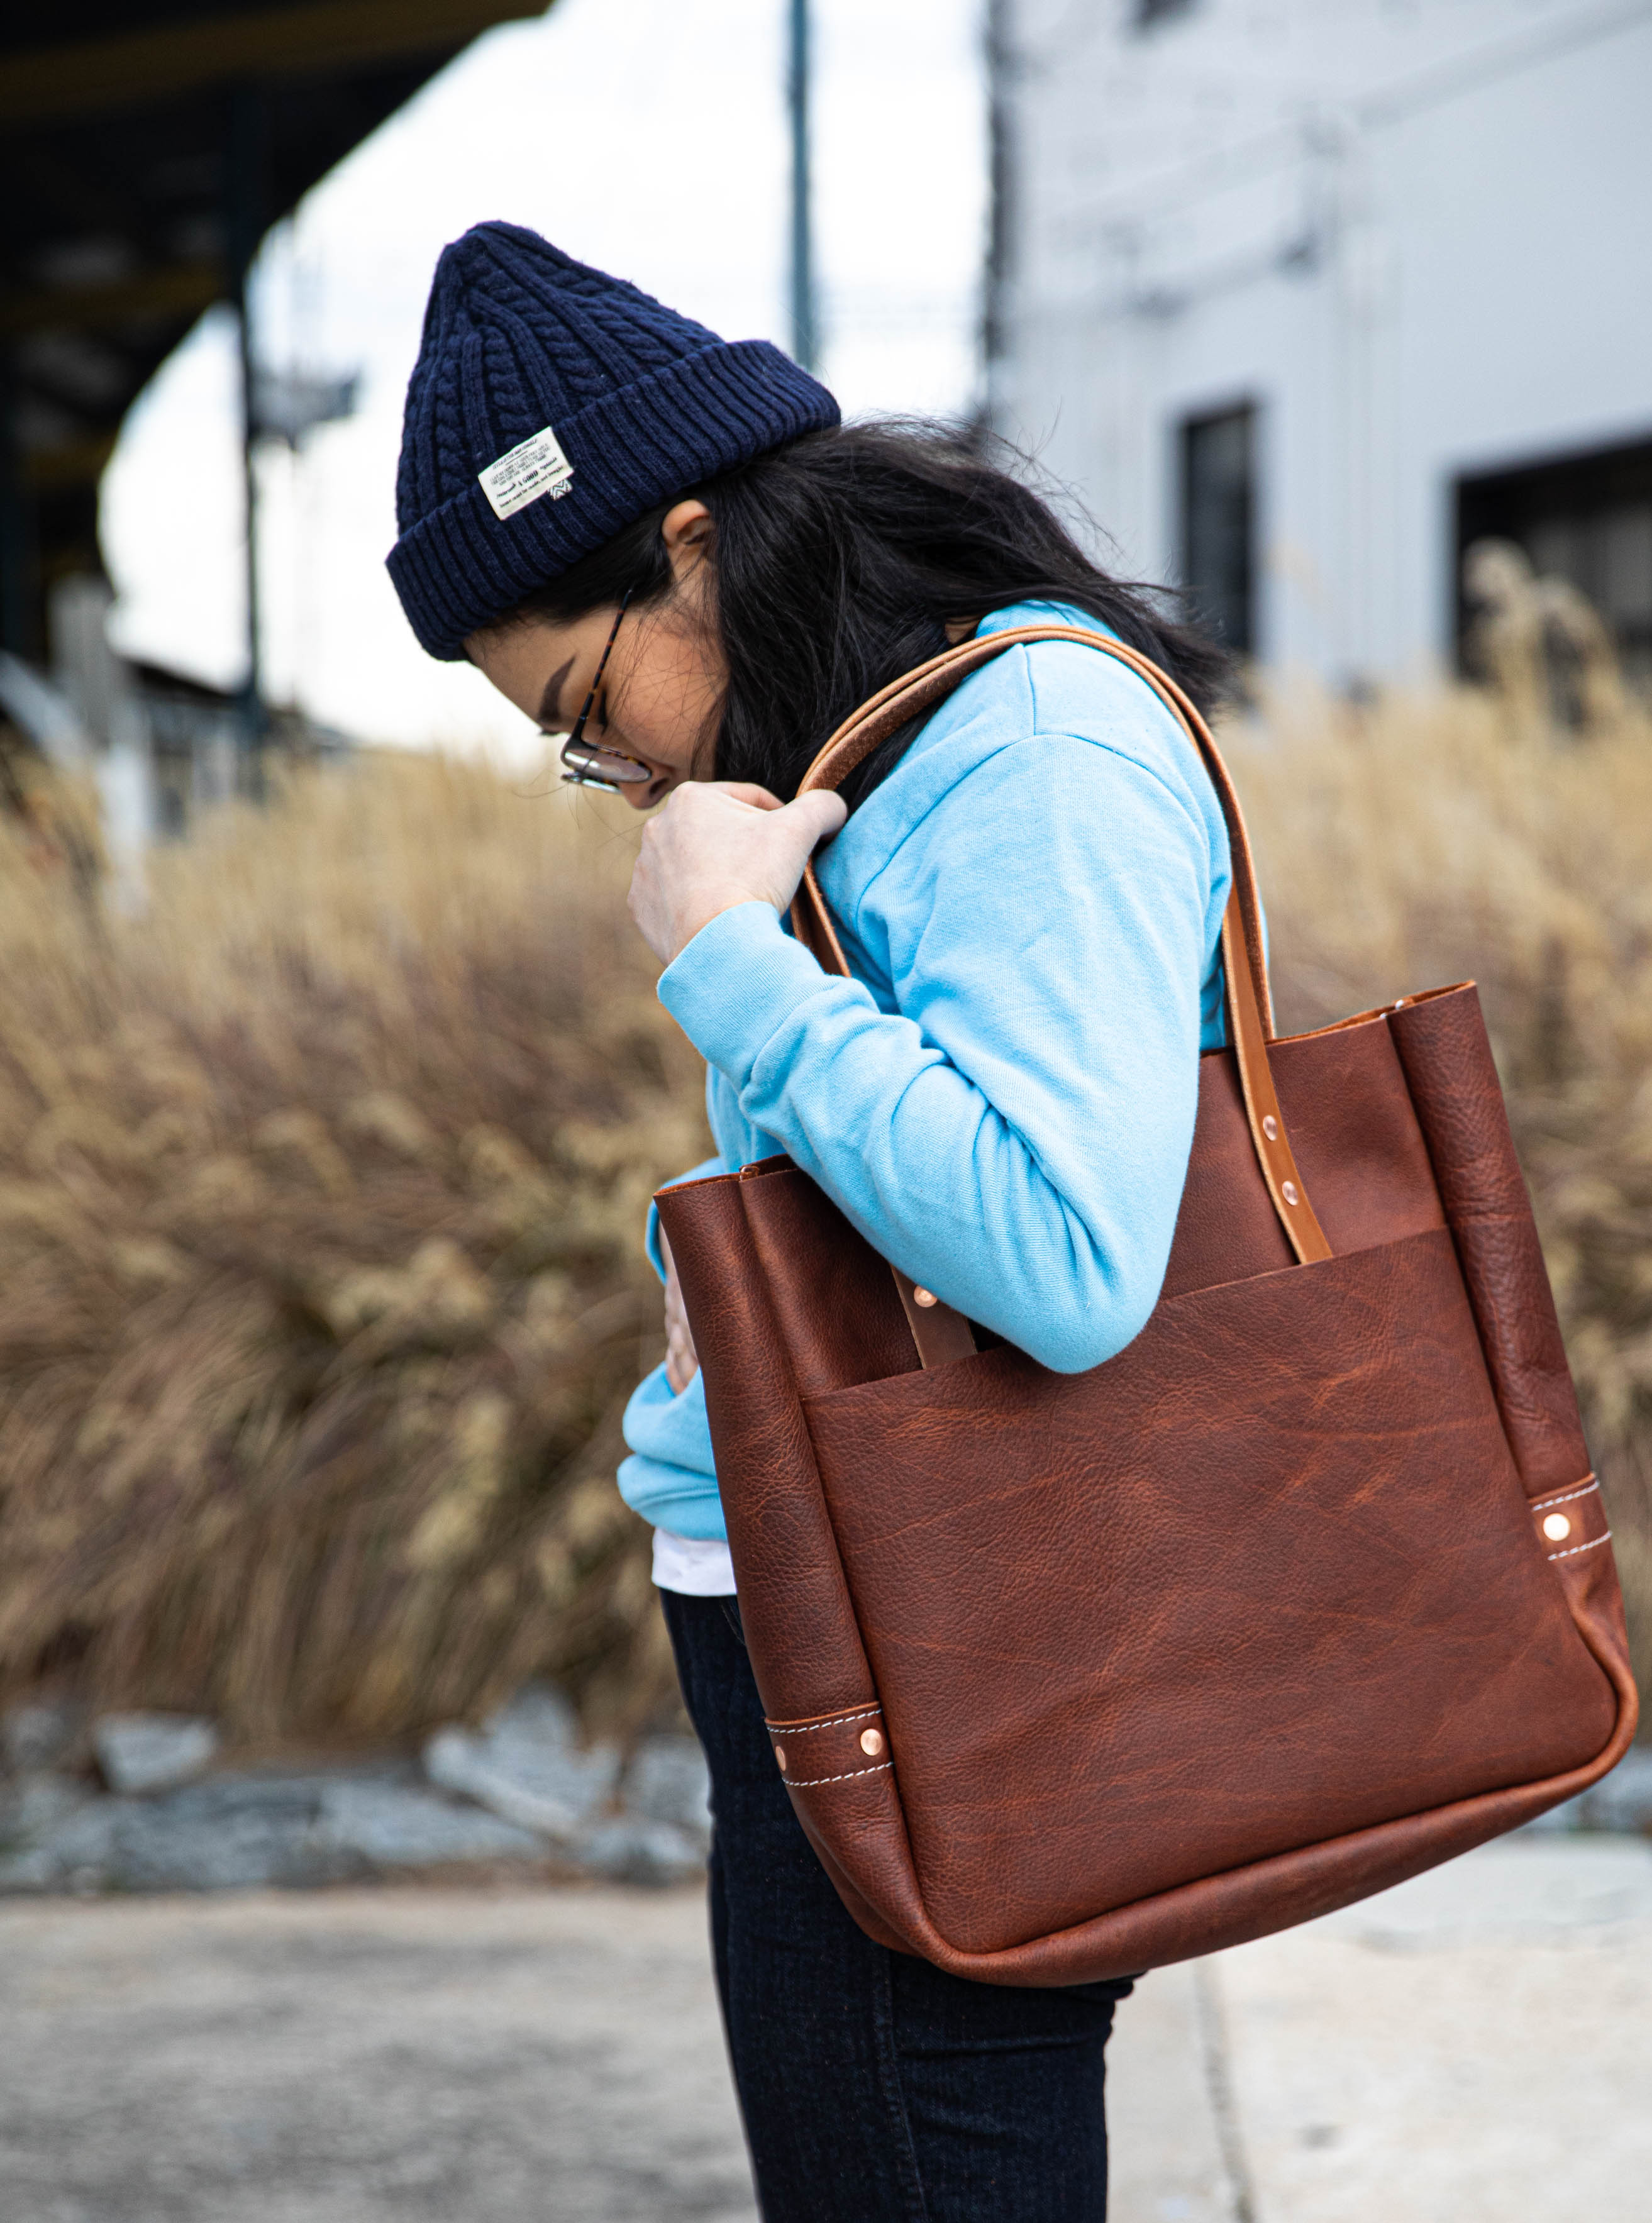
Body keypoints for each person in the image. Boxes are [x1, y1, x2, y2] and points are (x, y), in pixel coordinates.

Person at [389, 221, 1234, 2223]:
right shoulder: (888, 764)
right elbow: (926, 1157)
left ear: (691, 545)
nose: (611, 778)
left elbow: (1063, 1259)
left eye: (588, 706)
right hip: (846, 1603)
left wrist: (734, 971)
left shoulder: (1030, 748)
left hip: (937, 1622)